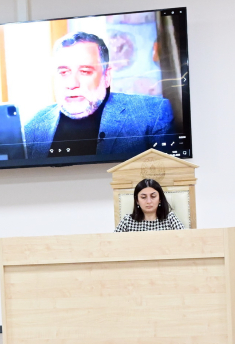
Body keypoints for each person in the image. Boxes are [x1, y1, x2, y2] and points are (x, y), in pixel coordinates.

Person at [24, 32, 174, 159]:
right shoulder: (32, 127)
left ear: (107, 76)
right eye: (63, 72)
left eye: (84, 71)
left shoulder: (153, 115)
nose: (71, 83)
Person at [115, 178, 184, 232]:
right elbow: (112, 243)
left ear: (160, 199)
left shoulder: (170, 219)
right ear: (137, 201)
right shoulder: (127, 221)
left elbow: (186, 240)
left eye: (153, 196)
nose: (148, 201)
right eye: (143, 197)